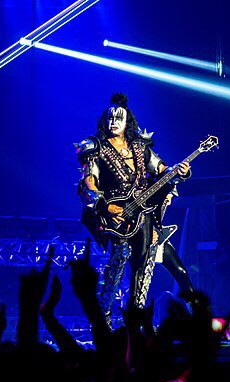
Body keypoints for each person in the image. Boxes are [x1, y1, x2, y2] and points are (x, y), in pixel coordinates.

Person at [76, 93, 190, 322]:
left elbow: (161, 170)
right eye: (110, 118)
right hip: (116, 213)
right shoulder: (96, 147)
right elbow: (89, 182)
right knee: (119, 260)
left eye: (119, 117)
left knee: (144, 261)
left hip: (144, 212)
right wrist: (104, 206)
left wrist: (179, 172)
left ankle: (136, 316)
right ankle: (103, 317)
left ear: (128, 120)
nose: (114, 122)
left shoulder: (140, 146)